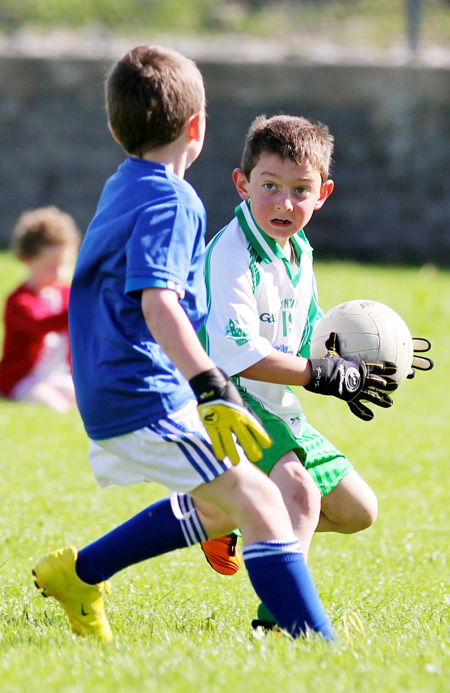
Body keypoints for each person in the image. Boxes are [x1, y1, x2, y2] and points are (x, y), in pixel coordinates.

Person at [30, 45, 385, 644]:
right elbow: (159, 303)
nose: (284, 200)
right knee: (275, 500)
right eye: (270, 186)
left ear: (117, 128)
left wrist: (345, 359)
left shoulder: (128, 184)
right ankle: (309, 641)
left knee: (247, 507)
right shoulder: (174, 201)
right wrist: (210, 385)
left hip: (127, 384)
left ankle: (79, 573)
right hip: (149, 390)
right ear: (198, 128)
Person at [199, 114, 433, 628]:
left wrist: (364, 359)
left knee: (358, 512)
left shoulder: (297, 250)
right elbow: (242, 357)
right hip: (225, 399)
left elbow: (307, 335)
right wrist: (323, 375)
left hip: (274, 398)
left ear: (323, 192)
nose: (284, 203)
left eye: (300, 190)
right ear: (242, 185)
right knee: (300, 494)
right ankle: (277, 617)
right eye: (270, 186)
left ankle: (233, 521)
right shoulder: (230, 256)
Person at [0, 206, 80, 412]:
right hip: (26, 379)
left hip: (60, 375)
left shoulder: (65, 294)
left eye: (63, 265)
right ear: (28, 259)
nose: (58, 273)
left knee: (84, 403)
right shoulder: (19, 301)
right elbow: (39, 325)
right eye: (50, 266)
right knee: (54, 407)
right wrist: (79, 309)